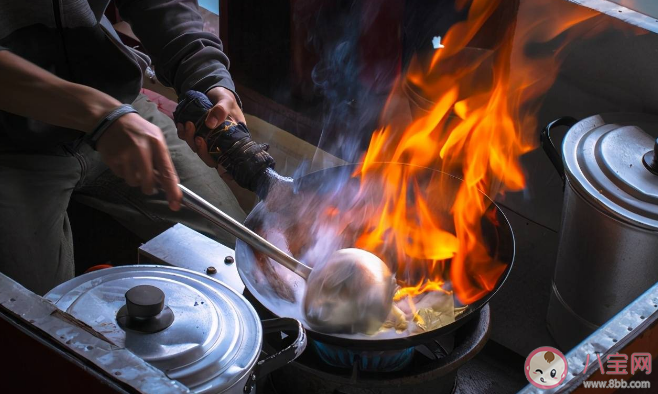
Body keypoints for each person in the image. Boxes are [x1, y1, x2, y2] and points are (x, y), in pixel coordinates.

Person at [0, 0, 250, 295]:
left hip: (115, 102)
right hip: (11, 143)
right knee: (35, 318)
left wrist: (206, 75)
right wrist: (97, 113)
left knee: (237, 251)